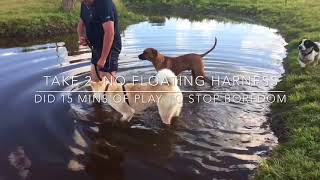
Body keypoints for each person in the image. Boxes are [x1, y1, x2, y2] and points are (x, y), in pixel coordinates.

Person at [77, 0, 121, 82]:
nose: (83, 2)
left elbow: (109, 33)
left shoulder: (105, 3)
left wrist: (103, 58)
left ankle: (121, 93)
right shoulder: (84, 3)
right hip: (96, 47)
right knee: (95, 81)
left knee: (107, 82)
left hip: (110, 48)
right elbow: (82, 22)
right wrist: (81, 36)